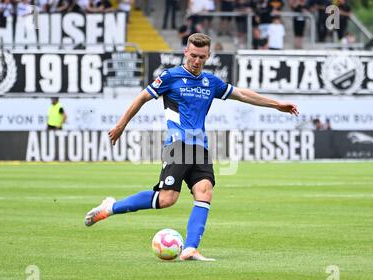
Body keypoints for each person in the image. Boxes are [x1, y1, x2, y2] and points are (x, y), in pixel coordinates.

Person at [84, 33, 299, 261]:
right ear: (186, 52)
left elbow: (242, 94)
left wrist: (277, 105)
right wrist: (120, 125)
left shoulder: (210, 82)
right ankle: (111, 207)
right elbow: (141, 98)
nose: (196, 61)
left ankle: (190, 248)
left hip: (200, 147)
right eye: (193, 55)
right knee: (167, 199)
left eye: (202, 57)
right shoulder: (170, 77)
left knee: (205, 191)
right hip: (178, 145)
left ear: (208, 56)